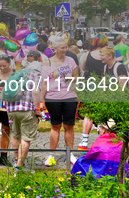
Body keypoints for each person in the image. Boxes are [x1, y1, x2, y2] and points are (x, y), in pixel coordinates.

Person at [40, 37, 79, 167]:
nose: (65, 49)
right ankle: (51, 155)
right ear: (55, 48)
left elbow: (77, 79)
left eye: (66, 47)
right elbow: (44, 83)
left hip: (69, 96)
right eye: (62, 47)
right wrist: (41, 100)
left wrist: (72, 79)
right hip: (52, 97)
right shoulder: (48, 63)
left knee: (69, 125)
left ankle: (70, 153)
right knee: (55, 125)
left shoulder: (71, 60)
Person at [6, 51, 43, 171]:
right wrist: (37, 110)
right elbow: (36, 92)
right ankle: (20, 166)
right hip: (27, 109)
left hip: (12, 108)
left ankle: (17, 161)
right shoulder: (36, 75)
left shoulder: (18, 73)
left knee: (15, 135)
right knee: (26, 138)